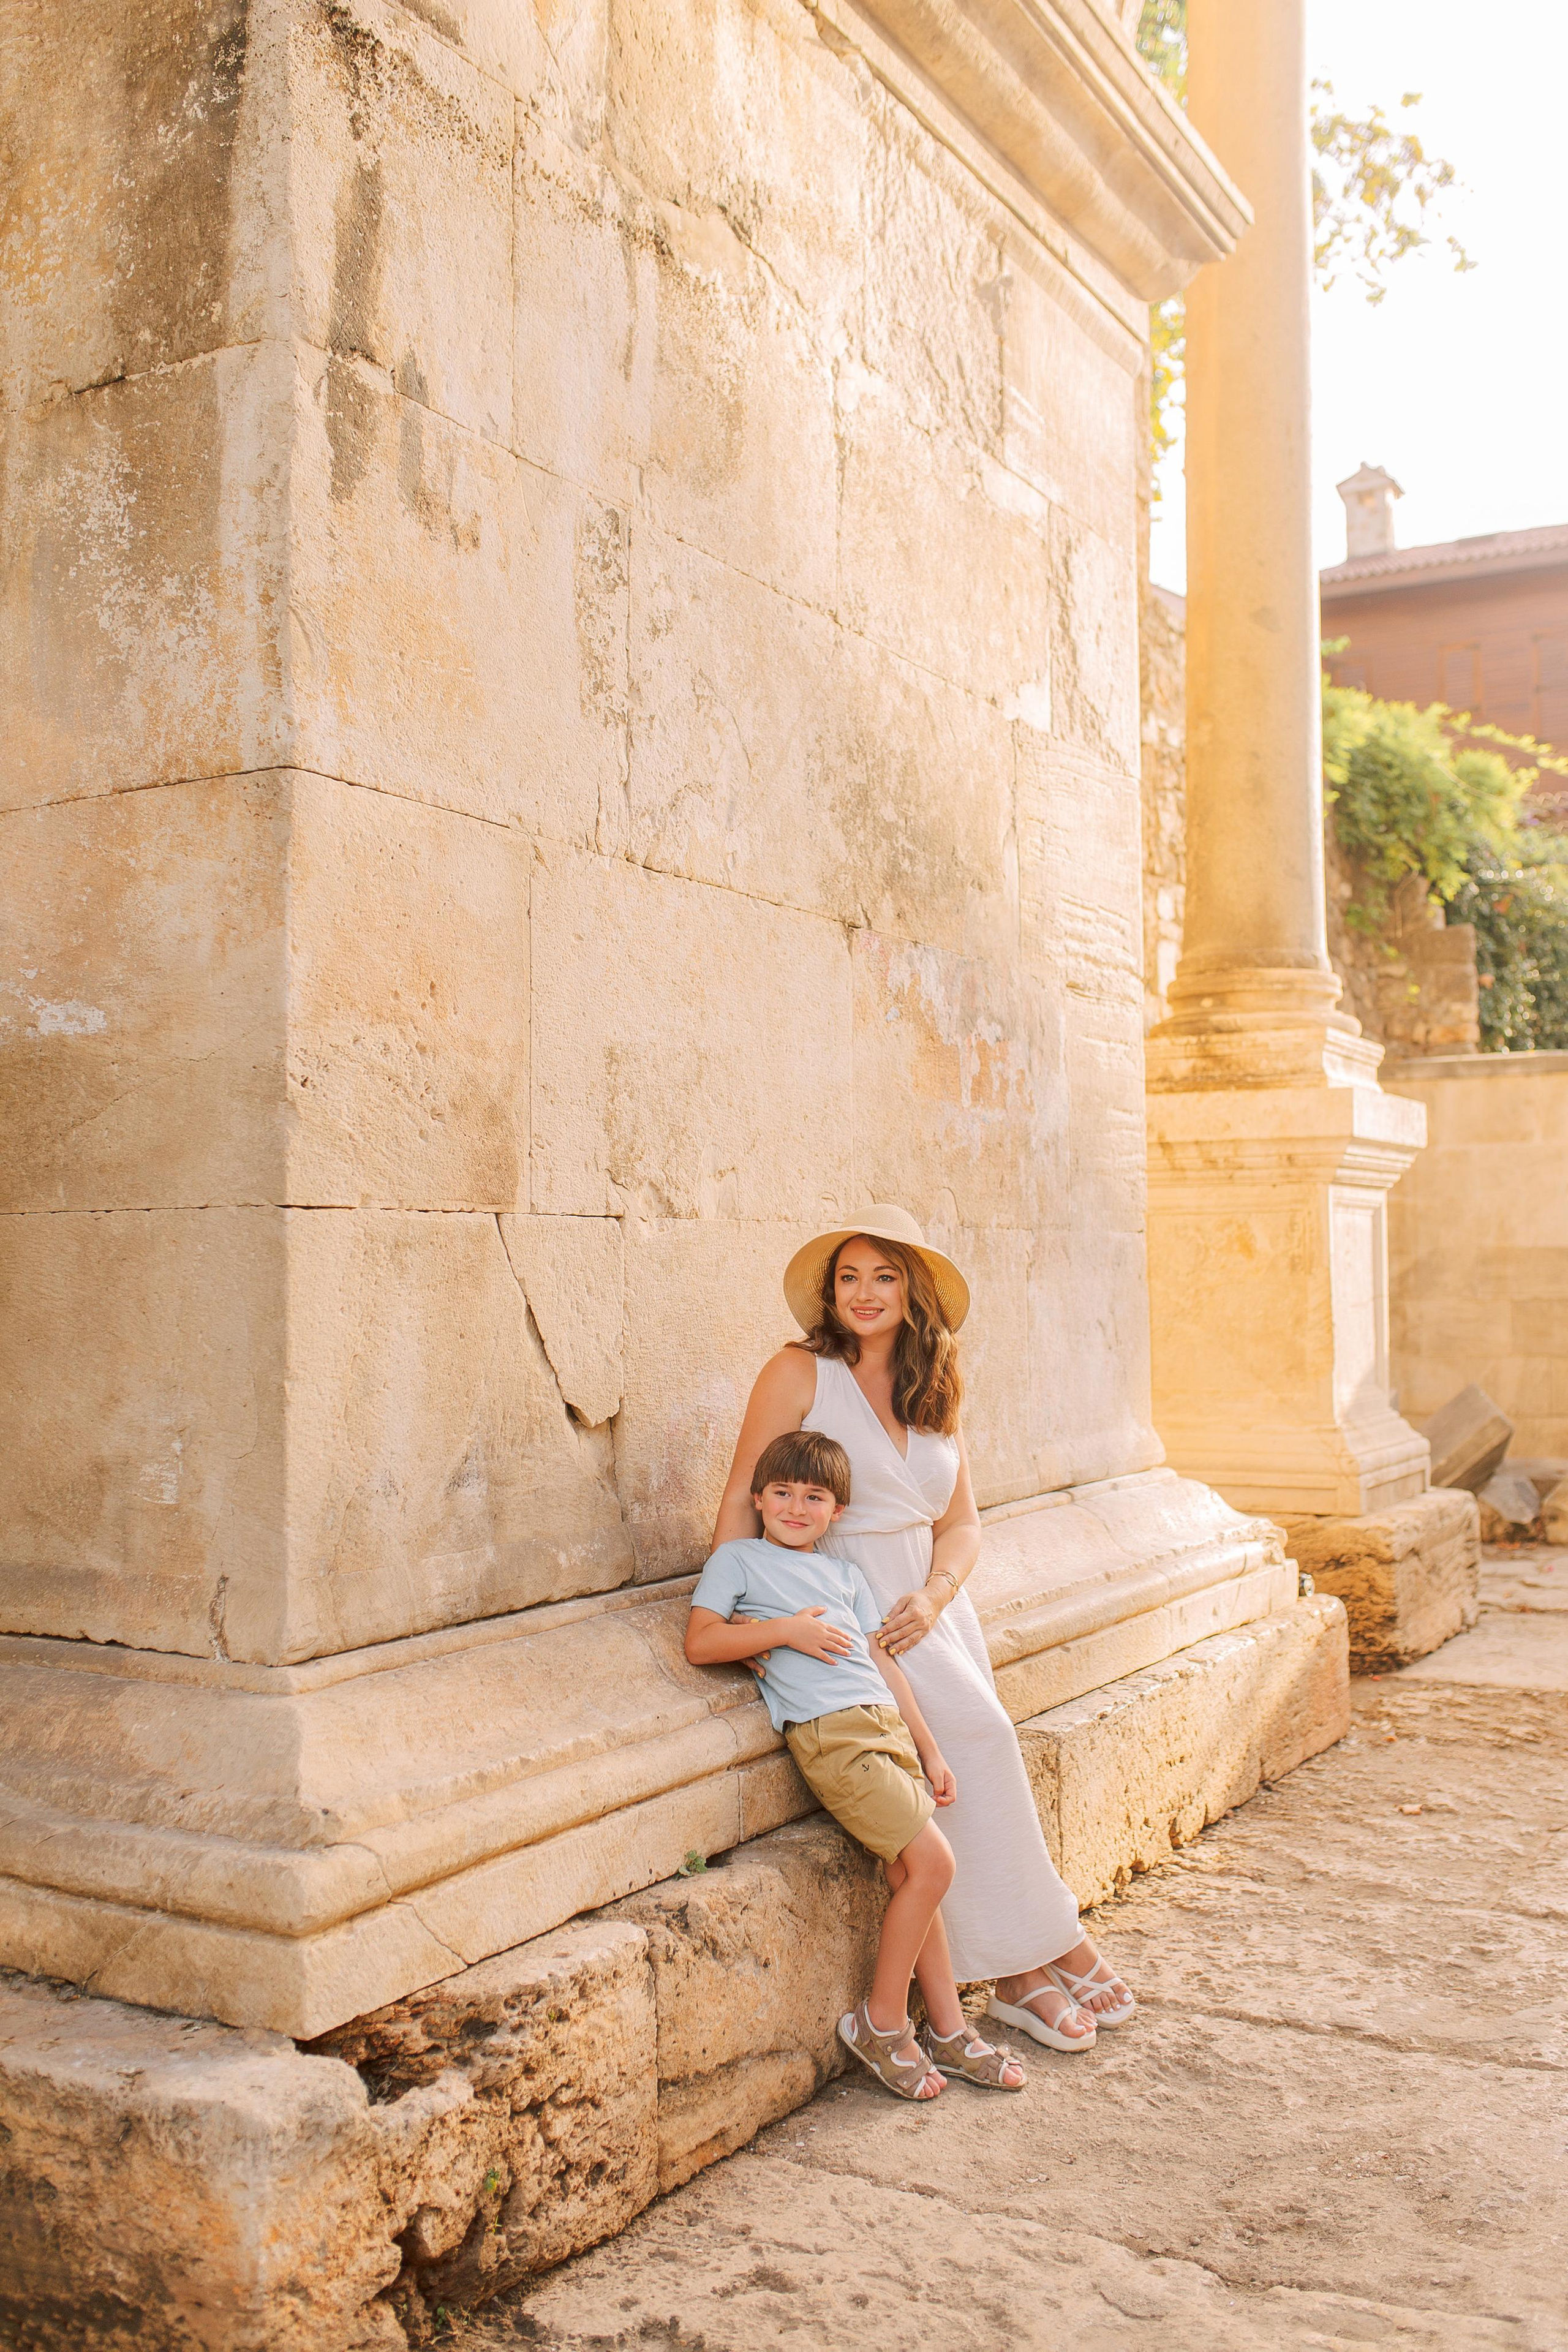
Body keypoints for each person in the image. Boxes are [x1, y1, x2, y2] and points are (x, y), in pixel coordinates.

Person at [713, 1207, 1136, 2050]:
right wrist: (746, 1614)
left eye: (884, 1277)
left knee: (968, 1763)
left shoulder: (933, 1384)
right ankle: (1035, 1956)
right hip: (849, 1600)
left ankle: (1025, 1961)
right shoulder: (799, 1372)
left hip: (931, 1609)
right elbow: (740, 1495)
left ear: (913, 1292)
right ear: (830, 1294)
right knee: (977, 1743)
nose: (864, 1295)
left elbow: (964, 1523)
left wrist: (939, 1595)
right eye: (848, 1278)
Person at [686, 1429, 1027, 2101]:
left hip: (884, 1728)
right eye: (781, 1492)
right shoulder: (739, 1561)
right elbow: (702, 1640)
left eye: (814, 1497)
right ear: (757, 1499)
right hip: (833, 1736)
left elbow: (882, 1663)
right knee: (935, 1865)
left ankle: (949, 2032)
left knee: (911, 1873)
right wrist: (785, 1631)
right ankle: (881, 2022)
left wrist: (928, 1749)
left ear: (836, 1512)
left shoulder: (844, 1575)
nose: (795, 1506)